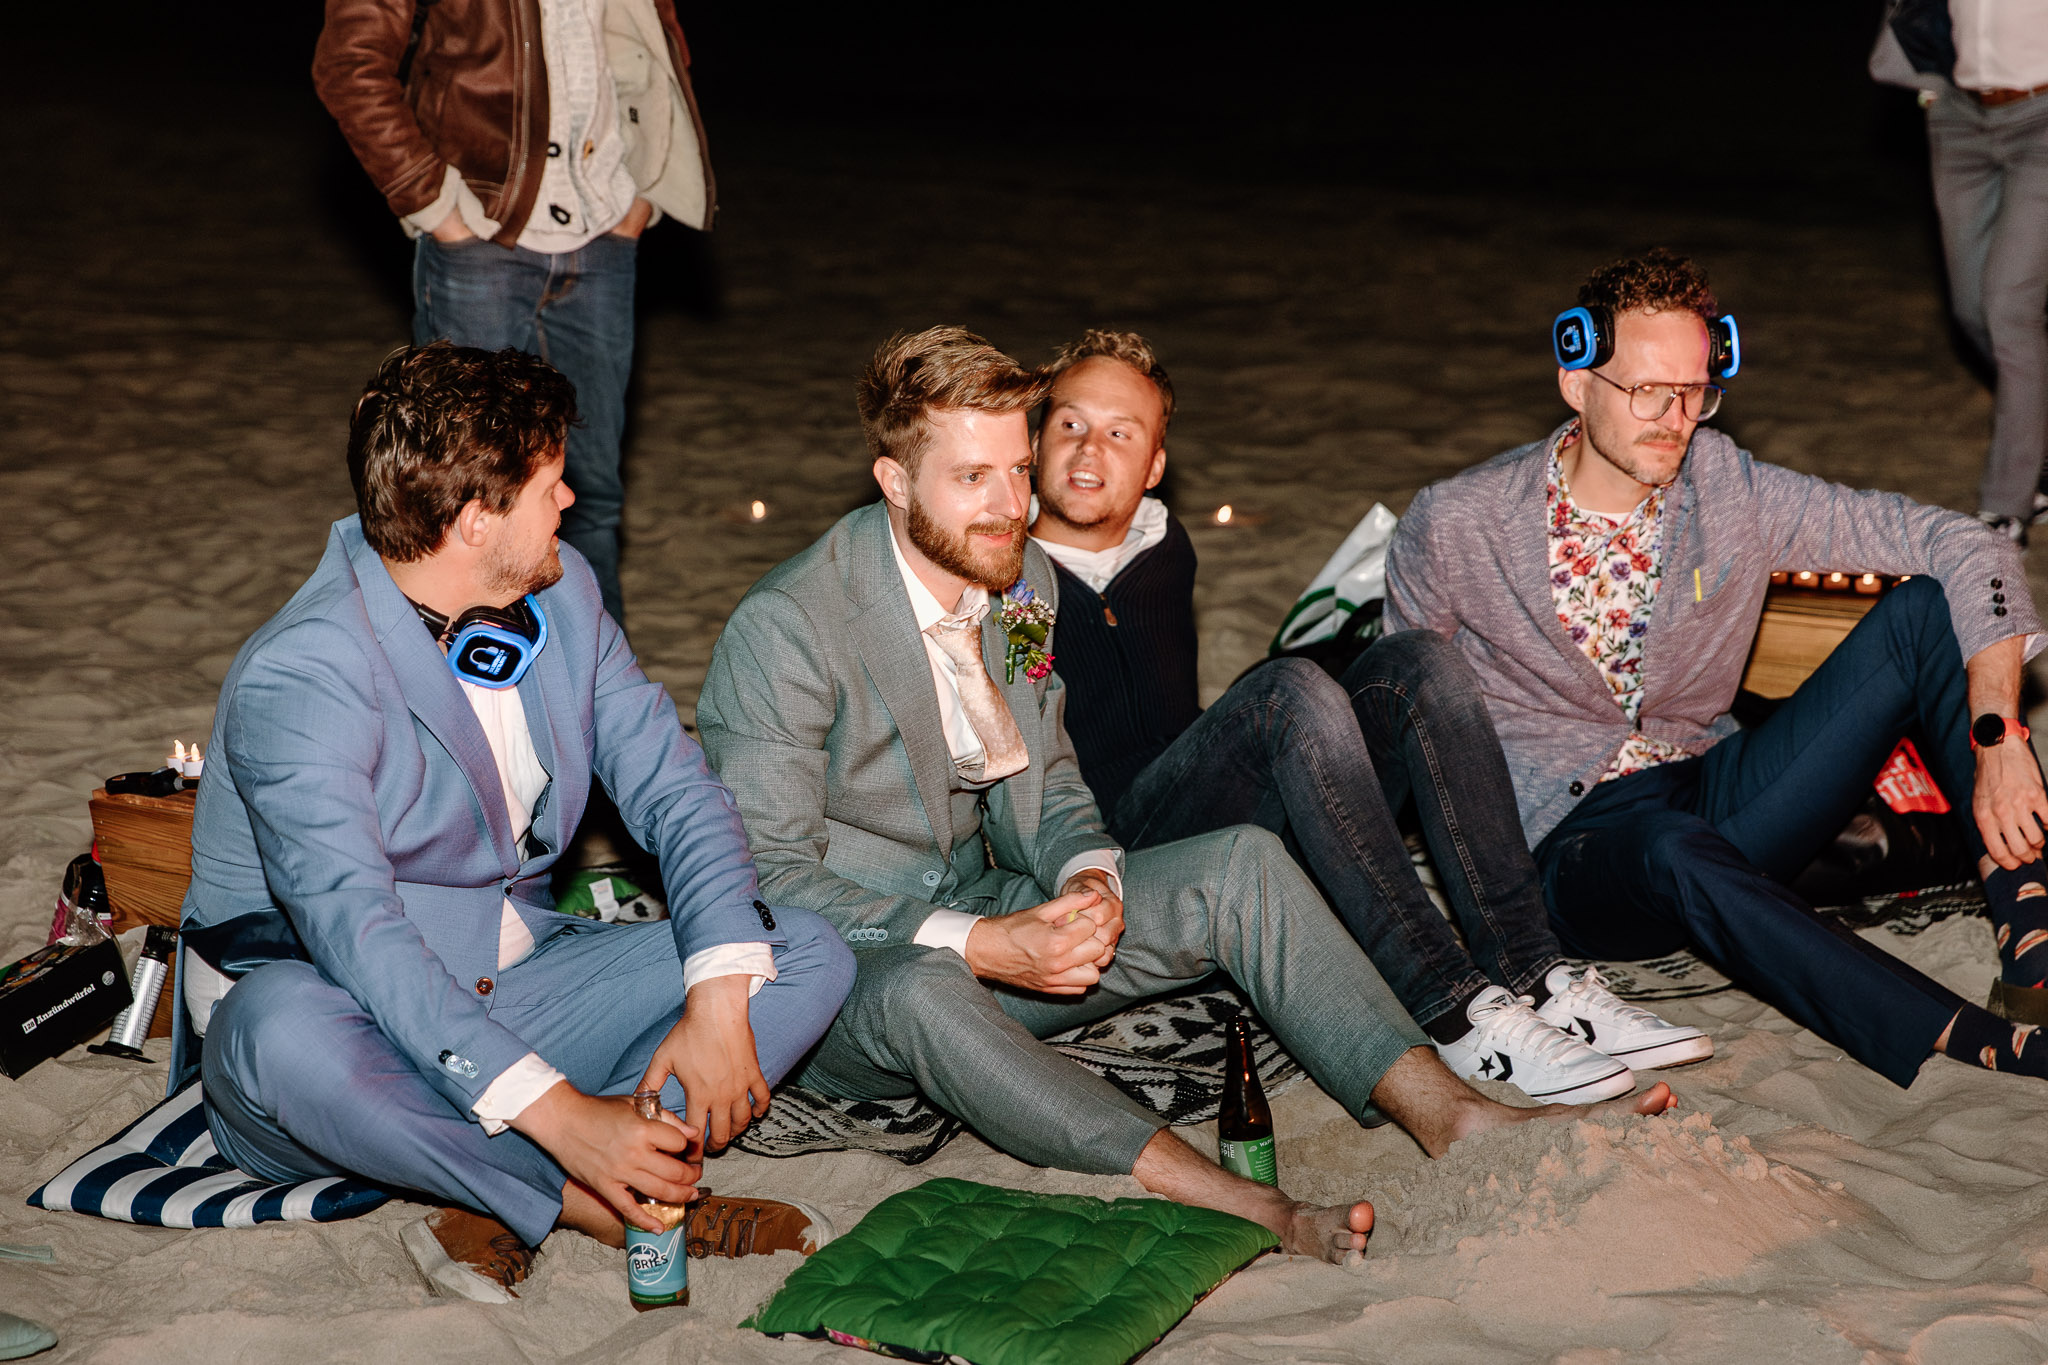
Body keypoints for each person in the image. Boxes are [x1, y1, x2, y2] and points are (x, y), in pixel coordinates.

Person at [697, 326, 1673, 1265]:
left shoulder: (1019, 576)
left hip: (981, 908)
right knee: (921, 994)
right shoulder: (790, 629)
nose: (1006, 503)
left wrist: (1087, 871)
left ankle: (1449, 1110)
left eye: (1011, 467)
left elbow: (1043, 778)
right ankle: (1245, 1201)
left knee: (1240, 864)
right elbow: (772, 888)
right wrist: (981, 944)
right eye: (969, 479)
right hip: (850, 973)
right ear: (894, 482)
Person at [178, 344, 852, 1302]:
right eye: (550, 483)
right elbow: (355, 935)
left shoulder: (562, 591)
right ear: (474, 519)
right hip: (350, 1021)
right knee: (274, 1028)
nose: (570, 502)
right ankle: (595, 1193)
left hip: (525, 982)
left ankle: (533, 1174)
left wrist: (714, 997)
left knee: (801, 952)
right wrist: (564, 1113)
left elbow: (678, 790)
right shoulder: (305, 672)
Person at [1383, 248, 2048, 1093]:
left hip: (1711, 785)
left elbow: (1968, 541)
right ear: (1576, 381)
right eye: (1647, 391)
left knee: (1922, 611)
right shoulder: (1457, 523)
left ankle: (2035, 950)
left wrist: (1998, 728)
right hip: (1571, 850)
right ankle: (1965, 1037)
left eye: (1694, 391)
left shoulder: (1727, 485)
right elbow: (1408, 724)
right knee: (1670, 847)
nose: (1675, 417)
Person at [1027, 329, 1710, 1106]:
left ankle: (1536, 973)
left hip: (1229, 823)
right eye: (1071, 424)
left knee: (1419, 661)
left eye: (1121, 433)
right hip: (1119, 857)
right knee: (1286, 690)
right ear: (1036, 439)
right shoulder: (1002, 576)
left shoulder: (1164, 544)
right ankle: (1452, 1009)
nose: (1090, 451)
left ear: (1154, 467)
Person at [313, 0, 717, 621]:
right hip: (481, 238)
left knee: (591, 499)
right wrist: (438, 206)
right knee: (459, 499)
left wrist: (642, 195)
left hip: (605, 229)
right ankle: (459, 696)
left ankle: (593, 699)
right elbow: (350, 61)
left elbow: (658, 40)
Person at [1874, 0, 2048, 543]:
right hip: (1959, 116)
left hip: (2042, 122)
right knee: (1972, 311)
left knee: (2009, 311)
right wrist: (1929, 88)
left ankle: (2007, 506)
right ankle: (2037, 441)